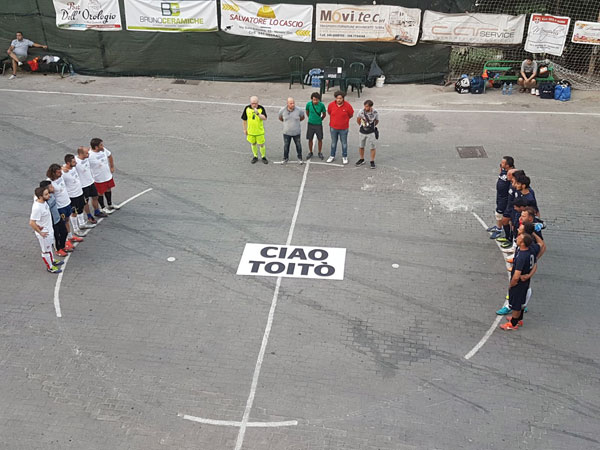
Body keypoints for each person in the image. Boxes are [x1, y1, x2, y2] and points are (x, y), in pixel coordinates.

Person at [499, 233, 536, 330]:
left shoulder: (522, 257)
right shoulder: (529, 251)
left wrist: (511, 284)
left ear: (523, 243)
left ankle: (513, 324)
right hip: (525, 282)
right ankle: (518, 318)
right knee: (520, 301)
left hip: (519, 283)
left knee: (516, 303)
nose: (518, 237)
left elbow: (516, 276)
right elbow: (535, 265)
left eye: (520, 237)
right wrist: (529, 275)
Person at [47, 163, 84, 245]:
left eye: (60, 172)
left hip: (67, 203)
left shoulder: (61, 176)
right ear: (53, 173)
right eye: (58, 172)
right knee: (62, 225)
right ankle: (65, 240)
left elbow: (65, 168)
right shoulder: (49, 182)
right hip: (60, 207)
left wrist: (63, 168)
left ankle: (70, 236)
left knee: (67, 220)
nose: (60, 174)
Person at [29, 186, 63, 273]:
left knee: (49, 247)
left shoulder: (42, 201)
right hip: (45, 233)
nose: (49, 196)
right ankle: (50, 267)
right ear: (40, 197)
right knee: (45, 251)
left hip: (49, 229)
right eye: (46, 194)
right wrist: (40, 232)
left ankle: (52, 260)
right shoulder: (37, 208)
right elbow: (31, 222)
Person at [63, 154, 96, 234]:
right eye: (74, 162)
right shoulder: (63, 173)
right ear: (68, 163)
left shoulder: (73, 168)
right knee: (74, 212)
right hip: (72, 196)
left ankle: (82, 224)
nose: (76, 163)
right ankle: (75, 229)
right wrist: (62, 168)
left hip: (80, 193)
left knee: (80, 209)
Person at [88, 138, 119, 214]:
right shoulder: (90, 155)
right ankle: (102, 207)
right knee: (100, 192)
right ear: (96, 147)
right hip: (98, 177)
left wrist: (111, 166)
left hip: (107, 175)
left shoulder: (103, 150)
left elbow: (109, 155)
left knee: (108, 189)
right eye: (101, 145)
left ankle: (110, 204)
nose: (103, 146)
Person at [39, 180, 69, 257]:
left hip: (58, 217)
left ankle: (62, 246)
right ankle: (58, 249)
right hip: (52, 221)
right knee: (56, 236)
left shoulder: (51, 194)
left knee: (64, 232)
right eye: (50, 187)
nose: (53, 188)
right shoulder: (44, 200)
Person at [487, 156, 514, 239]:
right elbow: (500, 173)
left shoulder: (511, 173)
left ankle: (499, 230)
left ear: (508, 165)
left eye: (502, 163)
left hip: (504, 198)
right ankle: (498, 226)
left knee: (499, 213)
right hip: (499, 195)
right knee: (498, 212)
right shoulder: (503, 169)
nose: (500, 164)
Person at [76, 146, 106, 220]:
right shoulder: (76, 162)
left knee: (95, 197)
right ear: (81, 154)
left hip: (91, 182)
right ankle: (89, 216)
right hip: (83, 185)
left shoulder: (87, 158)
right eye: (86, 153)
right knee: (85, 202)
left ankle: (97, 211)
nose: (88, 154)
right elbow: (66, 167)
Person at [327, 91, 354, 165]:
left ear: (343, 98)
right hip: (333, 128)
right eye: (337, 98)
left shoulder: (348, 106)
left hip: (344, 128)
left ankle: (344, 156)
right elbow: (329, 112)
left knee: (344, 143)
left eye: (340, 98)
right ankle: (332, 155)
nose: (339, 100)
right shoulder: (331, 105)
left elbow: (351, 115)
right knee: (333, 143)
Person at [241, 96, 268, 164]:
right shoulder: (247, 108)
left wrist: (258, 114)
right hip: (251, 131)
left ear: (258, 103)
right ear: (250, 103)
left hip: (259, 131)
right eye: (252, 103)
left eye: (255, 103)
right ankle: (255, 156)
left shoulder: (261, 108)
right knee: (253, 143)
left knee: (261, 144)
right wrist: (244, 129)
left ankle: (263, 156)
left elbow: (264, 118)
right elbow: (244, 119)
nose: (254, 105)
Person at [278, 97, 305, 164]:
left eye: (293, 103)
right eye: (291, 103)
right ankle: (285, 158)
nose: (292, 104)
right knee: (286, 146)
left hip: (296, 132)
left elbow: (302, 117)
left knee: (298, 145)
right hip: (286, 132)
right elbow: (281, 118)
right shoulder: (282, 110)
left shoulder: (299, 110)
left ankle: (300, 158)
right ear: (287, 104)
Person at [355, 100, 379, 169]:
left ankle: (372, 160)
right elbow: (358, 119)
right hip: (362, 131)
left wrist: (372, 127)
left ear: (371, 106)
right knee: (361, 146)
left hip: (371, 132)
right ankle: (362, 159)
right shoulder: (361, 111)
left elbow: (377, 121)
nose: (365, 107)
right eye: (365, 106)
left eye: (367, 106)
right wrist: (362, 126)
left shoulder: (375, 112)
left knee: (372, 147)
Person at [305, 92, 326, 160]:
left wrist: (320, 119)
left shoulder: (322, 105)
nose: (315, 101)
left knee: (320, 139)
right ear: (312, 99)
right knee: (310, 138)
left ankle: (319, 152)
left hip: (318, 124)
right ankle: (310, 151)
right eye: (314, 100)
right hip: (310, 124)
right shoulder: (308, 104)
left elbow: (324, 114)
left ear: (319, 100)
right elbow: (307, 112)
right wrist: (310, 118)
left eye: (316, 100)